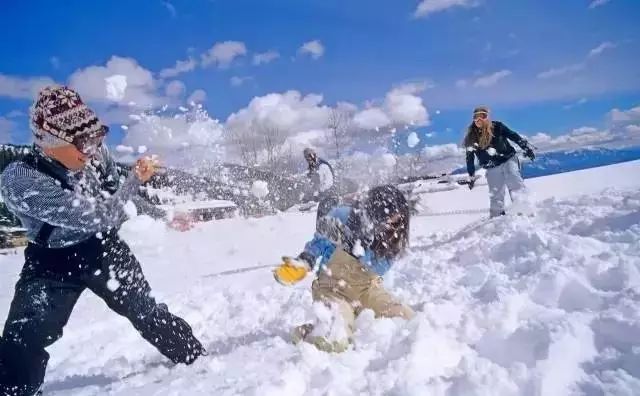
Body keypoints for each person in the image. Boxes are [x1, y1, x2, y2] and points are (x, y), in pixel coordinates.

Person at [0, 86, 204, 396]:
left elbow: (118, 196)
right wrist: (136, 179)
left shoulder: (94, 154)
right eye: (84, 142)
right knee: (23, 338)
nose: (94, 149)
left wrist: (161, 215)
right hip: (51, 263)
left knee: (145, 310)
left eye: (98, 137)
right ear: (51, 142)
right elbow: (98, 215)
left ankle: (194, 358)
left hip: (103, 249)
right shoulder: (22, 180)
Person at [273, 185, 415, 352]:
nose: (392, 225)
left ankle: (349, 317)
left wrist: (362, 250)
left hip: (367, 289)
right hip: (333, 288)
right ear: (373, 213)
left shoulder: (394, 236)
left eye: (397, 220)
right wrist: (305, 261)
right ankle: (311, 332)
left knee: (407, 319)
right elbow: (319, 242)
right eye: (386, 220)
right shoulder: (345, 217)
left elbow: (377, 268)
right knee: (335, 340)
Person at [464, 106, 536, 218]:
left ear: (487, 117)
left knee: (514, 181)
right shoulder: (471, 137)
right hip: (491, 166)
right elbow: (469, 157)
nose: (479, 120)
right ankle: (497, 218)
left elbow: (514, 136)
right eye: (476, 117)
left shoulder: (497, 127)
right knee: (495, 193)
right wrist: (471, 175)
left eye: (482, 116)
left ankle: (525, 211)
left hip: (508, 159)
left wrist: (526, 147)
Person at [303, 148, 338, 219]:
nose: (308, 160)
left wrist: (319, 191)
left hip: (328, 194)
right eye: (306, 158)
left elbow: (329, 182)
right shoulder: (312, 166)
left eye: (309, 158)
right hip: (319, 194)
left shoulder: (322, 166)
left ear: (312, 156)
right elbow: (310, 181)